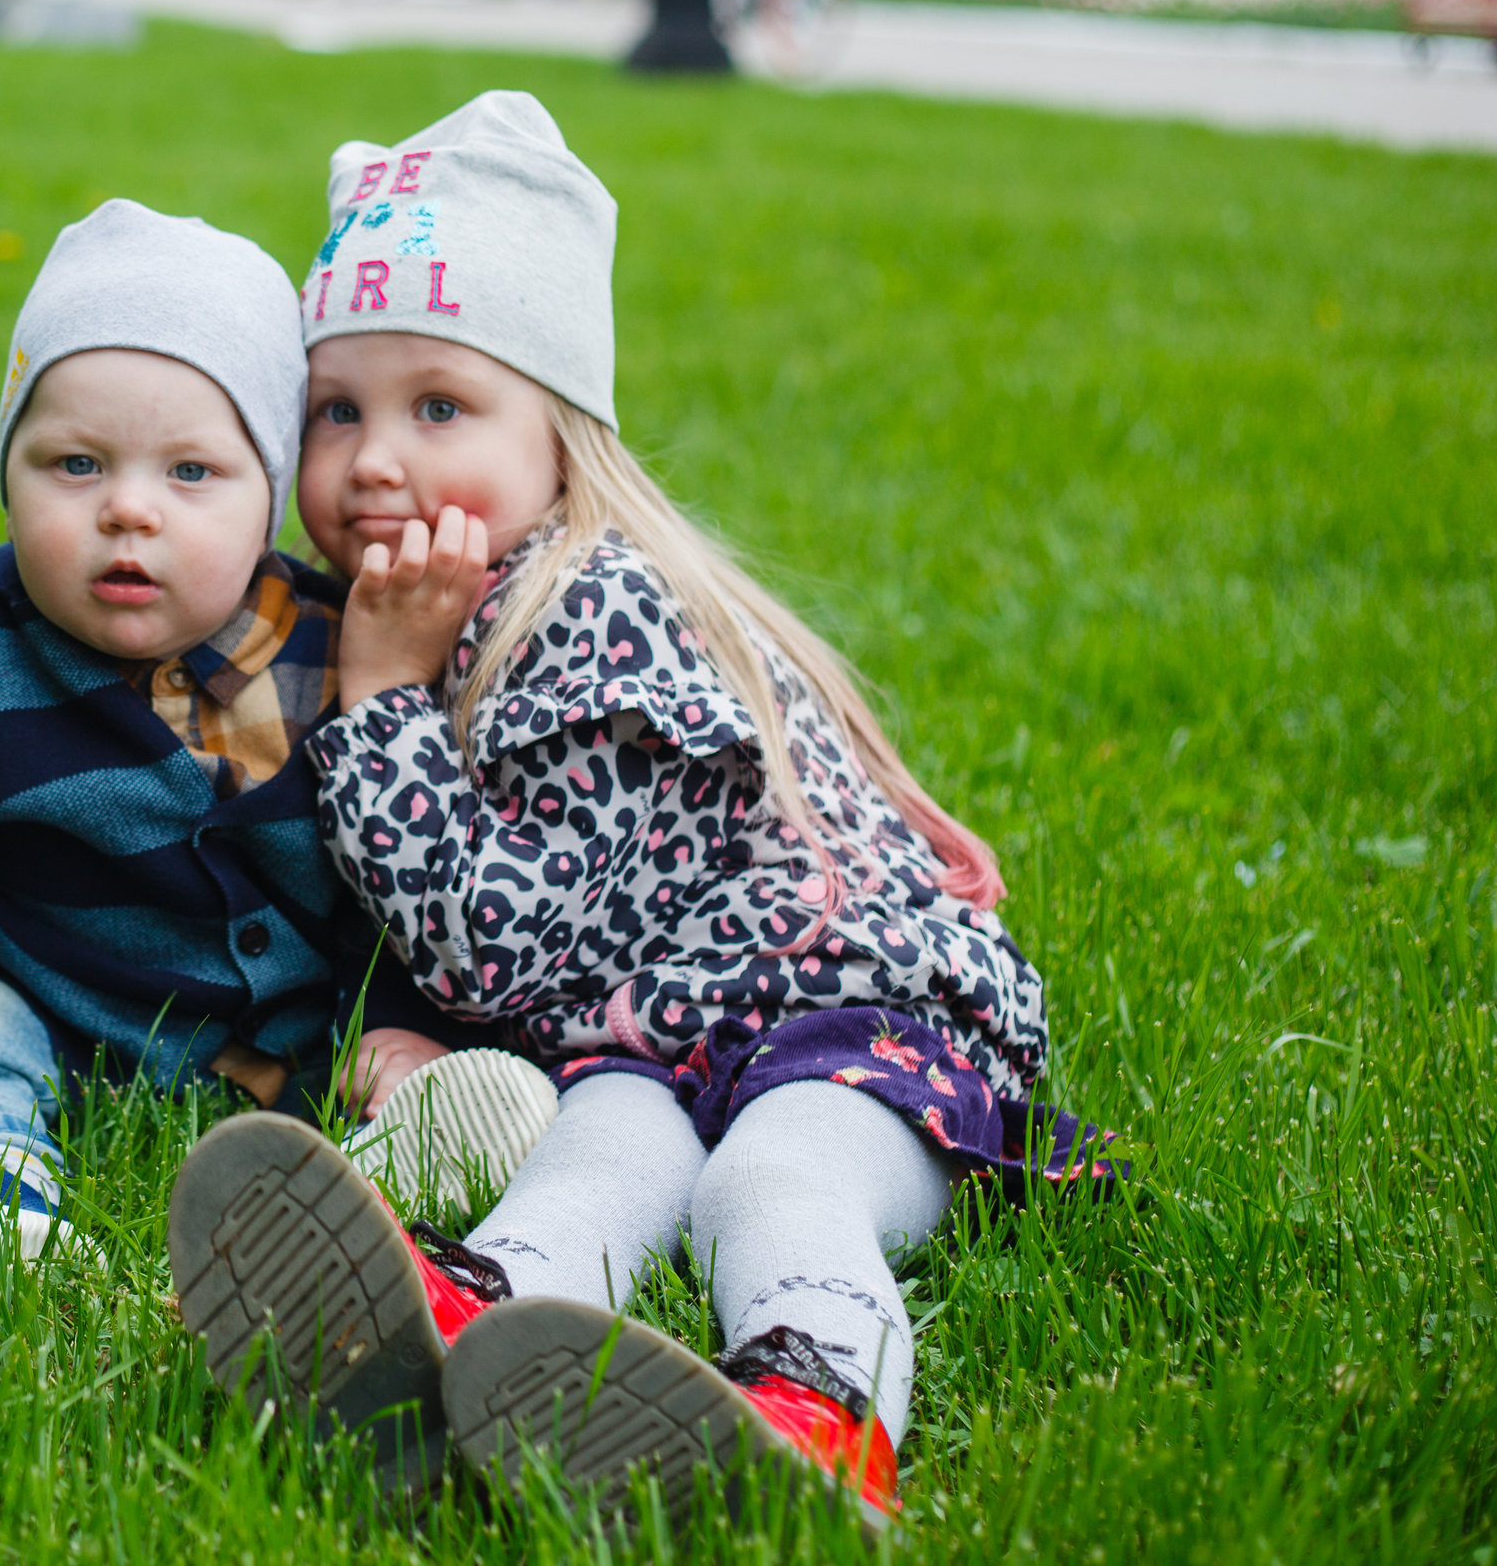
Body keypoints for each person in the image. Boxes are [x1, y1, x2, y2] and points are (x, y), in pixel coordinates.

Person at [168, 93, 1119, 1522]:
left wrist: (378, 705)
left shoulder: (585, 608)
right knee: (597, 1156)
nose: (374, 458)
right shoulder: (475, 593)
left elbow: (497, 948)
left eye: (440, 405)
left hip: (858, 1016)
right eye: (337, 410)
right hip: (660, 1026)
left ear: (560, 431)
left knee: (772, 1182)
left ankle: (813, 1421)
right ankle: (459, 1325)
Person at [0, 199, 520, 1263]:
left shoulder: (337, 655)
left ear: (267, 498)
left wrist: (399, 1018)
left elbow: (393, 875)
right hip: (55, 1015)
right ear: (7, 475)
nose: (129, 511)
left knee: (436, 1079)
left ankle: (369, 1203)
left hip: (301, 1054)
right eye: (74, 465)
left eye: (190, 473)